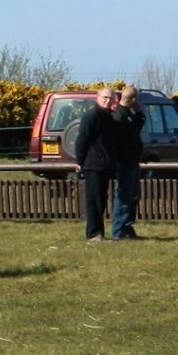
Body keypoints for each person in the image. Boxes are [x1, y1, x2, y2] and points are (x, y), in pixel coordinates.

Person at [73, 87, 119, 242]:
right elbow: (82, 140)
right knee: (94, 200)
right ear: (98, 97)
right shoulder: (91, 116)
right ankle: (93, 233)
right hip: (93, 165)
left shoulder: (109, 116)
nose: (108, 100)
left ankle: (100, 232)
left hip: (105, 165)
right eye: (105, 97)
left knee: (101, 200)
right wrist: (79, 160)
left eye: (111, 98)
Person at [109, 84, 145, 239]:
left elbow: (137, 127)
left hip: (132, 160)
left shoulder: (129, 114)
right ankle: (119, 230)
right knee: (124, 194)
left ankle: (127, 227)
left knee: (133, 195)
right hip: (124, 161)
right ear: (134, 99)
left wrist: (139, 112)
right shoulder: (119, 115)